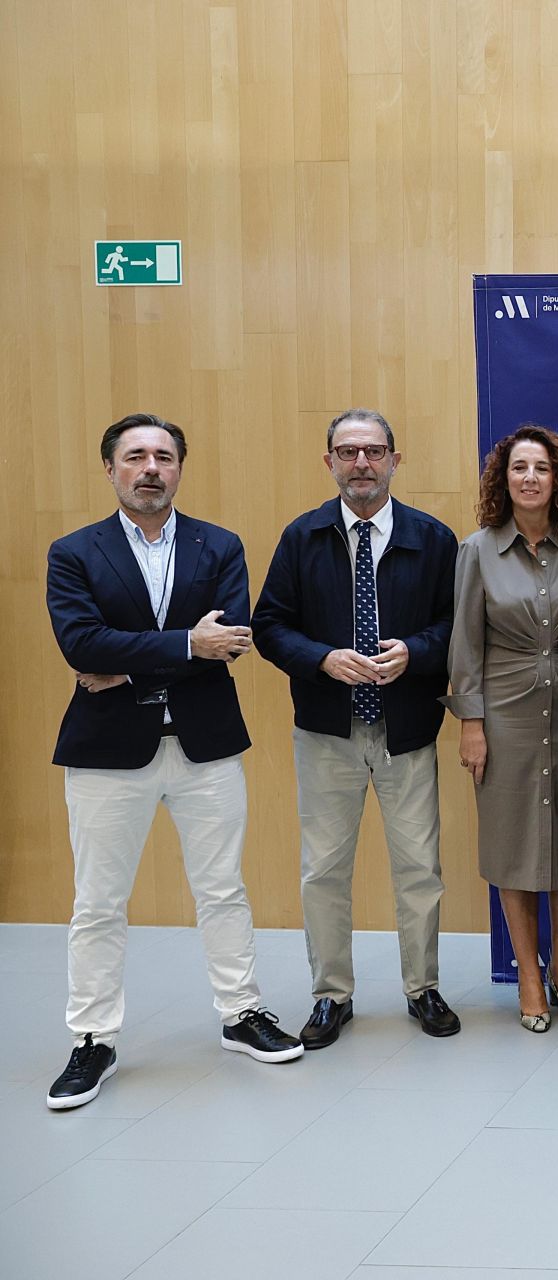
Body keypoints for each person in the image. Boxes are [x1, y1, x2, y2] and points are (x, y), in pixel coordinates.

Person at [45, 414, 304, 1110]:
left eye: (163, 456)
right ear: (110, 469)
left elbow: (232, 641)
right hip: (106, 754)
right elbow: (81, 645)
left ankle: (242, 1013)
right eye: (135, 456)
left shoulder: (218, 545)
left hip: (204, 746)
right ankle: (93, 1038)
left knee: (223, 890)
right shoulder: (74, 552)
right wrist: (188, 644)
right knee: (98, 903)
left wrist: (129, 663)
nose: (150, 468)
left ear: (179, 468)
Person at [254, 408, 462, 1046]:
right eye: (348, 452)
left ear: (396, 459)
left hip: (407, 731)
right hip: (327, 731)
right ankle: (330, 995)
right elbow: (269, 626)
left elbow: (458, 626)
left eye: (373, 451)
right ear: (330, 463)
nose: (362, 463)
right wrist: (321, 658)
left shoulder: (434, 538)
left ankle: (423, 988)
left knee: (419, 868)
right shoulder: (302, 536)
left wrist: (416, 653)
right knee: (323, 870)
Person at [446, 425, 558, 1032]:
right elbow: (465, 643)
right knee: (513, 846)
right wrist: (471, 723)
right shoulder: (478, 550)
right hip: (503, 716)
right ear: (503, 479)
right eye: (519, 468)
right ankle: (529, 976)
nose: (530, 478)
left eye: (541, 468)